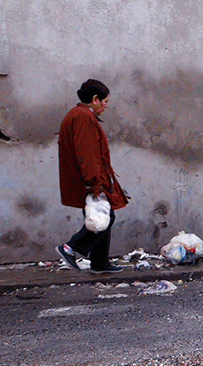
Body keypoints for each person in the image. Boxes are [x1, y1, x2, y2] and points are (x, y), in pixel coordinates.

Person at [55, 79, 129, 273]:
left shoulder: (78, 114)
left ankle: (100, 263)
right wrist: (94, 182)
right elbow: (87, 153)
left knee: (101, 217)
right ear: (95, 99)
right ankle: (71, 248)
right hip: (92, 179)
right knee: (106, 216)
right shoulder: (83, 117)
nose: (105, 106)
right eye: (105, 102)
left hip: (90, 178)